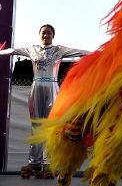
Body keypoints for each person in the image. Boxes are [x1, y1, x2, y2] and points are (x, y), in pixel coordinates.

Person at [0, 24, 89, 175]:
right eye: (43, 32)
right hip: (36, 87)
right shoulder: (32, 49)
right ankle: (34, 162)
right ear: (39, 34)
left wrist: (100, 53)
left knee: (51, 125)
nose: (46, 35)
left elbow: (80, 52)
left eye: (49, 33)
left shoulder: (59, 50)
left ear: (53, 35)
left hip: (52, 86)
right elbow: (14, 50)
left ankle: (49, 162)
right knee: (36, 125)